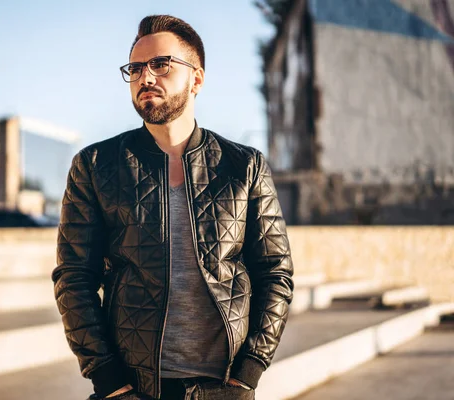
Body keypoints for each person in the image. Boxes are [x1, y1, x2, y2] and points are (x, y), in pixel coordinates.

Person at [52, 14, 294, 400]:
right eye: (135, 68)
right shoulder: (96, 166)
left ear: (197, 78)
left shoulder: (244, 166)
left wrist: (249, 372)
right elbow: (74, 278)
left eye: (160, 64)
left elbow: (275, 274)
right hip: (134, 387)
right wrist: (107, 378)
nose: (145, 77)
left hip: (224, 386)